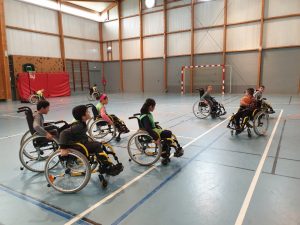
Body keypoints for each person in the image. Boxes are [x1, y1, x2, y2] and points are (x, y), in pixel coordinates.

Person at [59, 105, 123, 176]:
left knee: (99, 144)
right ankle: (106, 166)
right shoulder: (78, 126)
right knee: (96, 145)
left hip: (81, 142)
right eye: (87, 112)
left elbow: (83, 135)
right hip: (78, 146)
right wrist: (63, 148)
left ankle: (105, 164)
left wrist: (95, 141)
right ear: (83, 116)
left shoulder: (82, 124)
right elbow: (63, 133)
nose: (89, 112)